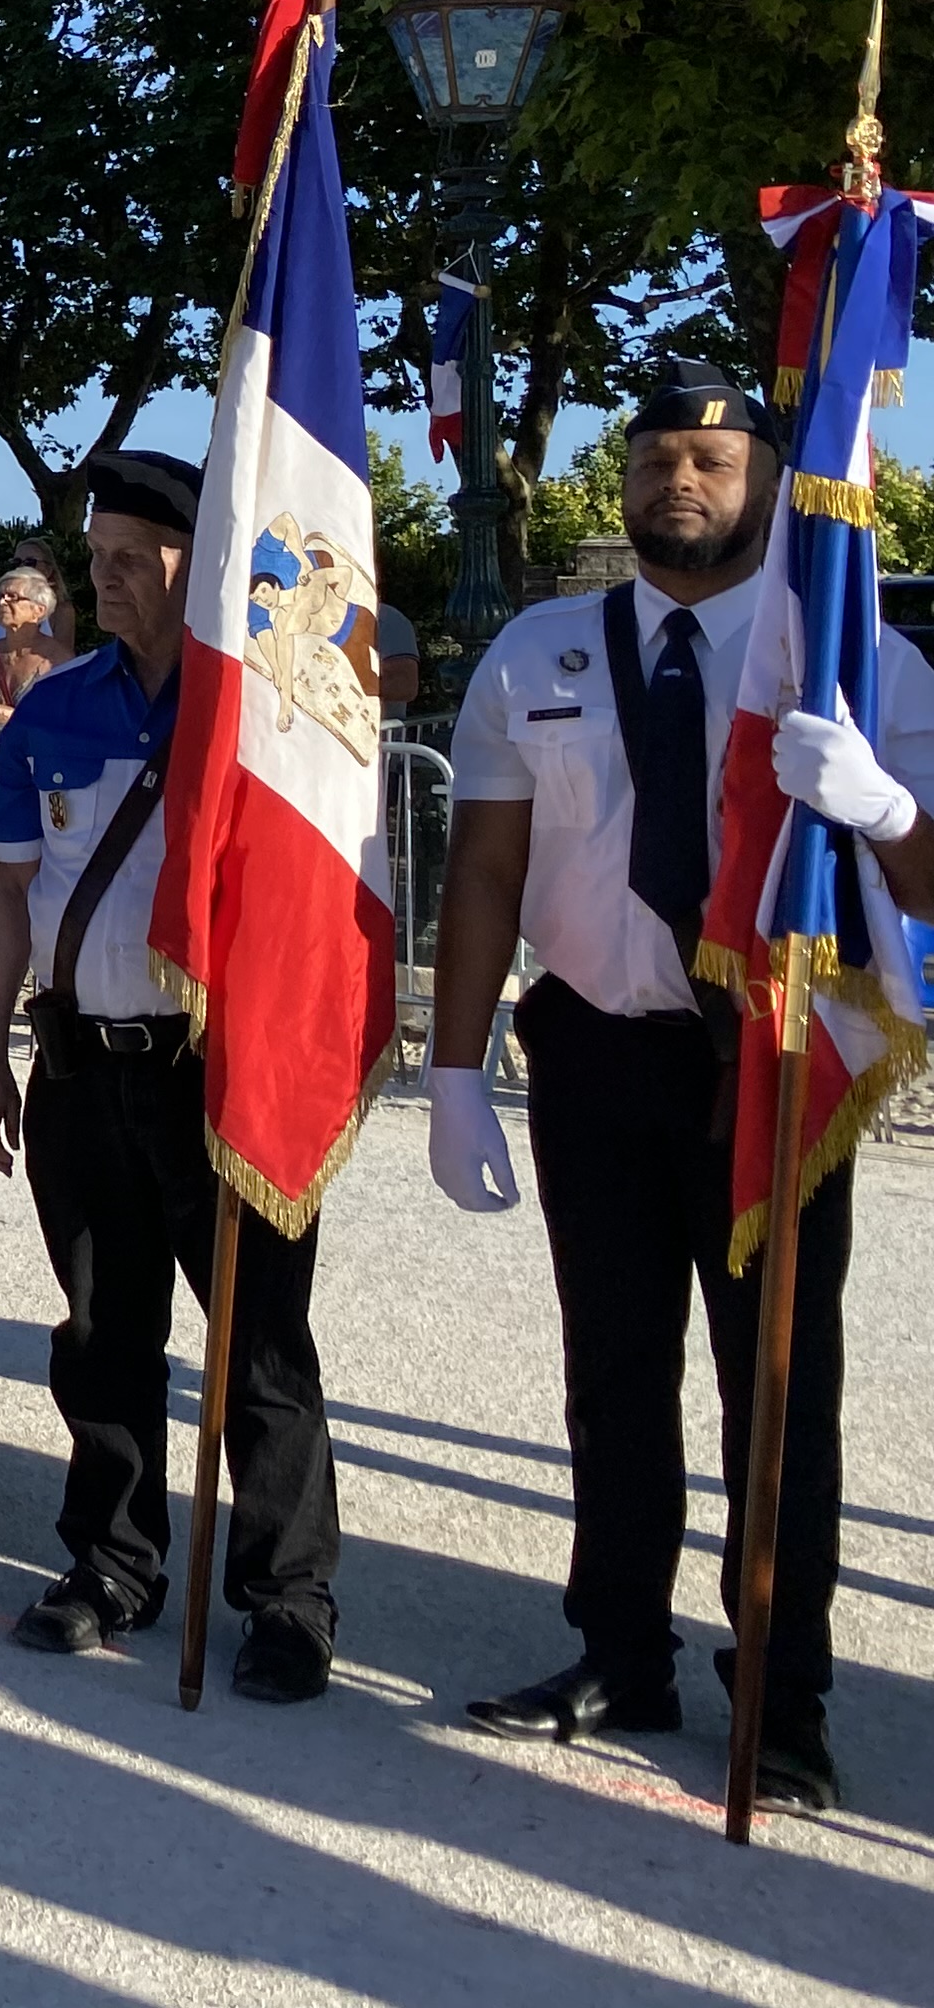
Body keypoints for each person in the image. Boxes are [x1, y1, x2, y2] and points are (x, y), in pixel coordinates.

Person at [430, 360, 921, 1817]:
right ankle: (620, 1650)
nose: (681, 479)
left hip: (773, 1058)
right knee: (615, 1369)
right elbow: (486, 873)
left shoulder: (856, 662)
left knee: (782, 1390)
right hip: (597, 1046)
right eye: (656, 455)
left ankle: (784, 1690)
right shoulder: (537, 650)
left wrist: (885, 810)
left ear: (775, 483)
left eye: (715, 457)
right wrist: (455, 1070)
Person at [0, 446, 342, 1703]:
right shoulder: (57, 708)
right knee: (101, 1334)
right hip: (81, 1068)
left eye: (136, 558)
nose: (106, 578)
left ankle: (287, 1597)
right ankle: (114, 1562)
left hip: (216, 1078)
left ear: (200, 565)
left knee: (260, 1346)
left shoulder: (266, 713)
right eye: (97, 557)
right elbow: (7, 898)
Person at [0, 553, 74, 728]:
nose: (2, 603)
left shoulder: (58, 661)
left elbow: (69, 722)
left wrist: (16, 718)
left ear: (39, 610)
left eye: (13, 597)